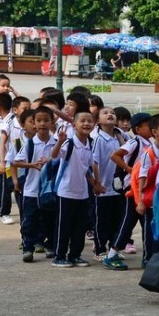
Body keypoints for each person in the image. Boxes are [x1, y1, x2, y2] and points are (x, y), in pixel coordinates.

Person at [50, 111, 106, 268]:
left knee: (79, 226)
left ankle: (75, 255)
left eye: (89, 121)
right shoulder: (69, 143)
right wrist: (59, 142)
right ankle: (59, 256)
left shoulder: (89, 144)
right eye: (82, 121)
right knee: (64, 225)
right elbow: (54, 156)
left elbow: (87, 168)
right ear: (74, 125)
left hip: (82, 193)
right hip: (66, 191)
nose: (86, 123)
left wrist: (95, 183)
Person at [13, 106, 58, 262]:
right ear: (34, 123)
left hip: (50, 191)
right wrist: (32, 165)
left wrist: (50, 161)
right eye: (38, 120)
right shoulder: (31, 144)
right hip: (31, 190)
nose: (42, 124)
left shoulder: (57, 143)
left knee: (50, 219)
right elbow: (17, 162)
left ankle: (50, 245)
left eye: (46, 120)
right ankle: (28, 248)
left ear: (52, 122)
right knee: (30, 221)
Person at [108, 112, 152, 264]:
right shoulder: (135, 143)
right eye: (149, 126)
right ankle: (112, 253)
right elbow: (115, 155)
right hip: (132, 187)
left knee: (146, 223)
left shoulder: (149, 145)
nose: (152, 129)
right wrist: (130, 170)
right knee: (128, 221)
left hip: (143, 188)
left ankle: (148, 256)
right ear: (138, 129)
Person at [92, 107, 128, 269]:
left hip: (119, 187)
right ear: (98, 121)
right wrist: (97, 183)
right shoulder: (98, 139)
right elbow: (95, 163)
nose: (110, 114)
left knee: (117, 220)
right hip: (104, 187)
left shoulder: (120, 136)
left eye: (112, 113)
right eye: (105, 113)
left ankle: (114, 248)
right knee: (102, 221)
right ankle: (99, 249)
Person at [0, 93, 16, 224]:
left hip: (8, 161)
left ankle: (4, 212)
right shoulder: (9, 120)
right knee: (8, 187)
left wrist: (1, 161)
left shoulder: (7, 122)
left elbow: (2, 143)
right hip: (10, 160)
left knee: (6, 188)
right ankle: (3, 210)